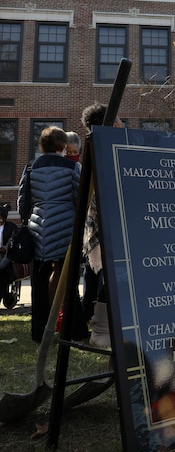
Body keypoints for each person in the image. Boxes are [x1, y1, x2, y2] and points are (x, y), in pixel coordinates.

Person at [17, 126, 87, 343]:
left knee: (39, 281)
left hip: (38, 229)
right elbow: (80, 200)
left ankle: (39, 332)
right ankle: (74, 331)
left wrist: (29, 222)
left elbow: (22, 202)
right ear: (62, 145)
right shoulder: (73, 167)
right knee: (68, 280)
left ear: (42, 144)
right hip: (65, 229)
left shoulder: (30, 168)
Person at [80, 102, 124, 347]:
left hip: (116, 219)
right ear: (109, 124)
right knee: (110, 276)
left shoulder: (105, 146)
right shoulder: (99, 148)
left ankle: (103, 326)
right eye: (118, 120)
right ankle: (101, 330)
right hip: (107, 220)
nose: (122, 124)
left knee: (109, 277)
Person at [0, 203, 20, 307]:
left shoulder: (11, 227)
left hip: (6, 255)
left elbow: (14, 240)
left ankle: (4, 295)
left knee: (2, 269)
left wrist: (6, 247)